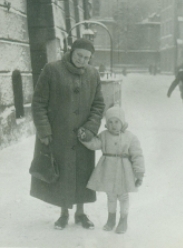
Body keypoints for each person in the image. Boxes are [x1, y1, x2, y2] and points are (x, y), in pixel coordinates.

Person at [30, 38, 105, 230]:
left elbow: (98, 105)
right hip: (58, 135)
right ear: (71, 52)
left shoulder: (93, 74)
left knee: (82, 174)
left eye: (87, 58)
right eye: (79, 55)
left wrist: (90, 128)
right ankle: (63, 214)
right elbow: (38, 103)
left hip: (83, 137)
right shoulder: (52, 70)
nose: (82, 60)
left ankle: (81, 213)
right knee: (61, 174)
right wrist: (44, 130)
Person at [78, 106, 145, 234]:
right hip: (108, 170)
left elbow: (137, 155)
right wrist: (84, 138)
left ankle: (123, 220)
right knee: (111, 196)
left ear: (122, 122)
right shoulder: (104, 136)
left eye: (117, 121)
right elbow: (95, 144)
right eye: (110, 122)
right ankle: (111, 219)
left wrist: (139, 173)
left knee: (123, 196)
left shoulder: (130, 137)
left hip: (124, 172)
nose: (113, 125)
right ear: (107, 123)